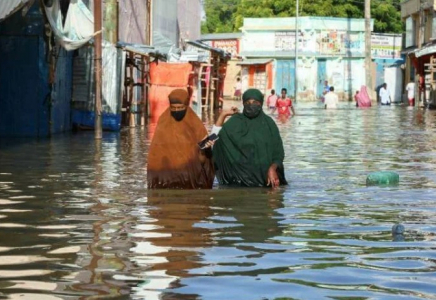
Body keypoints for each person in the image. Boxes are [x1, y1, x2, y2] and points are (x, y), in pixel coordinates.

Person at [211, 88, 287, 188]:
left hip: (267, 183)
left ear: (261, 103)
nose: (251, 105)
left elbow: (279, 153)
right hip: (238, 184)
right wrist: (223, 115)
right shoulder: (236, 122)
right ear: (243, 104)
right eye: (247, 102)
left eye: (255, 102)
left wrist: (272, 168)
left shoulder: (269, 124)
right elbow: (211, 141)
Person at [147, 89, 215, 189]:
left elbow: (204, 155)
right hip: (166, 180)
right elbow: (156, 154)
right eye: (173, 108)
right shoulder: (163, 122)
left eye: (180, 107)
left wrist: (205, 148)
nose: (176, 110)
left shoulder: (195, 123)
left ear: (186, 106)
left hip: (191, 180)